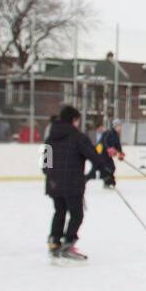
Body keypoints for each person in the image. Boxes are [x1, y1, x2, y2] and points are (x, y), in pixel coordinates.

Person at [42, 105, 103, 260]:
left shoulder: (50, 137)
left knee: (59, 212)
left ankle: (55, 241)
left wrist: (53, 175)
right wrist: (104, 169)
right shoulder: (79, 137)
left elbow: (44, 165)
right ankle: (68, 243)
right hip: (73, 183)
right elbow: (94, 157)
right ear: (74, 120)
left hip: (54, 183)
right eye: (77, 120)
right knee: (76, 214)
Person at [94, 118, 124, 189]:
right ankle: (108, 182)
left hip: (107, 154)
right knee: (108, 168)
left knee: (111, 167)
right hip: (102, 153)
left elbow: (118, 145)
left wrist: (121, 154)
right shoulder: (109, 132)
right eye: (118, 126)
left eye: (120, 126)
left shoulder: (116, 135)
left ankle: (109, 182)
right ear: (115, 126)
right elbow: (105, 141)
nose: (120, 128)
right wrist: (109, 148)